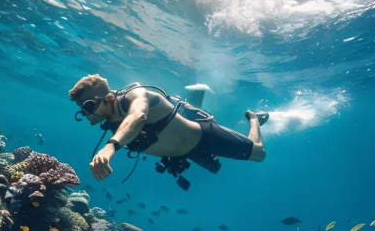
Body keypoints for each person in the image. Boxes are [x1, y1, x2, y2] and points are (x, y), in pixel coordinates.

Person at [69, 74, 269, 184]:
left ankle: (253, 119)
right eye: (82, 110)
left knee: (258, 154)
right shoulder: (110, 121)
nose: (86, 115)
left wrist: (110, 146)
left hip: (203, 136)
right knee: (216, 167)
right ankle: (192, 101)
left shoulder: (135, 95)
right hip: (185, 153)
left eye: (88, 107)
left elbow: (138, 116)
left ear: (108, 97)